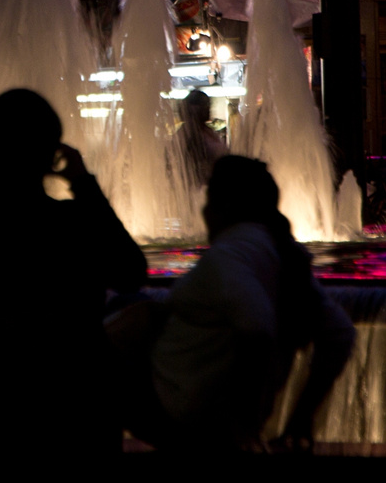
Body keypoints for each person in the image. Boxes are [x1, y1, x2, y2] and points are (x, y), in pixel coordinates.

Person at [0, 88, 148, 454]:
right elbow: (132, 272)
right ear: (52, 156)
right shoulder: (75, 225)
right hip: (82, 407)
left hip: (3, 408)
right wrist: (83, 183)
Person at [148, 156, 355, 452]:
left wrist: (241, 422)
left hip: (186, 411)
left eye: (209, 199)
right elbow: (340, 334)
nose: (204, 211)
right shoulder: (279, 253)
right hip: (207, 412)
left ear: (225, 206)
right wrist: (302, 416)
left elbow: (257, 328)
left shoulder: (231, 256)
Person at [177, 89, 227, 187]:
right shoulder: (188, 135)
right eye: (204, 106)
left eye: (208, 105)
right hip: (203, 189)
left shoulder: (207, 132)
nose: (208, 109)